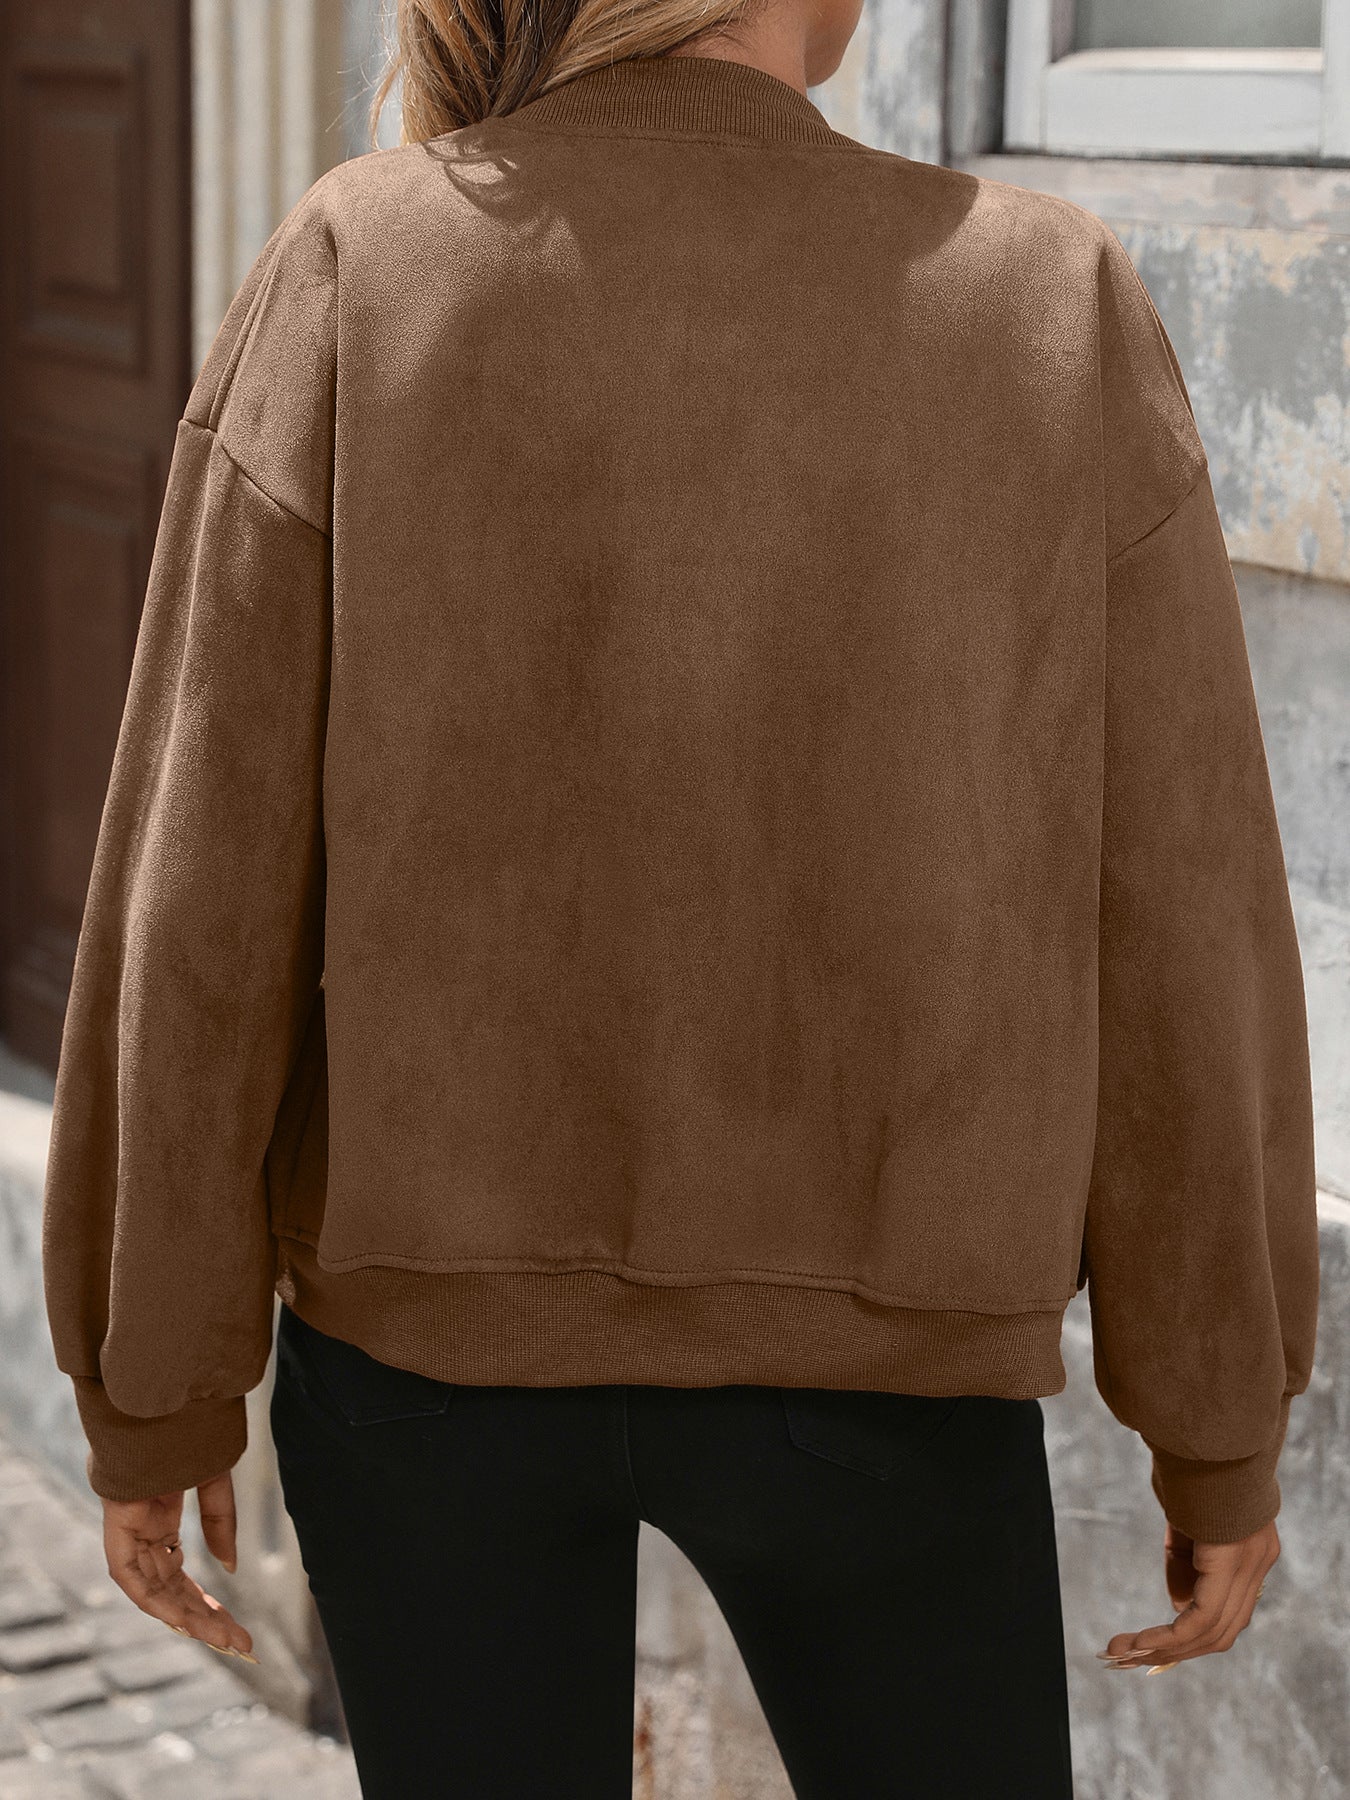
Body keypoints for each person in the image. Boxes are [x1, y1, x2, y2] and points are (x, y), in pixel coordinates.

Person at [39, 0, 1321, 1788]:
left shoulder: (360, 261)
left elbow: (201, 889)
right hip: (885, 1377)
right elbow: (1181, 912)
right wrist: (1214, 1411)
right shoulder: (1038, 298)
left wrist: (157, 1379)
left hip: (424, 1376)